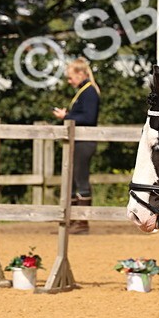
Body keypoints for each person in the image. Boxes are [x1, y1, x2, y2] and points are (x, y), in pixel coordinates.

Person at [53, 57, 101, 234]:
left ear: (81, 74)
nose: (69, 80)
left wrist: (66, 117)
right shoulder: (84, 91)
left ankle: (82, 221)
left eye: (71, 76)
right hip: (79, 140)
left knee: (80, 179)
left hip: (84, 141)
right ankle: (73, 220)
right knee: (73, 179)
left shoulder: (89, 92)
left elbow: (88, 118)